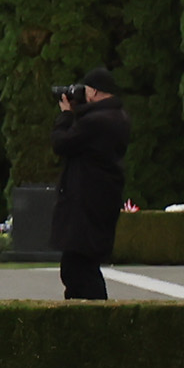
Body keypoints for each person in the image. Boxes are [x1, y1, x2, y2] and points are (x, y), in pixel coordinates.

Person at [49, 68, 128, 302]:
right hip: (100, 201)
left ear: (93, 91)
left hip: (86, 203)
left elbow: (61, 143)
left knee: (78, 268)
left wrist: (65, 115)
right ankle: (81, 316)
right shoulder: (118, 116)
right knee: (80, 265)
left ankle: (95, 318)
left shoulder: (97, 121)